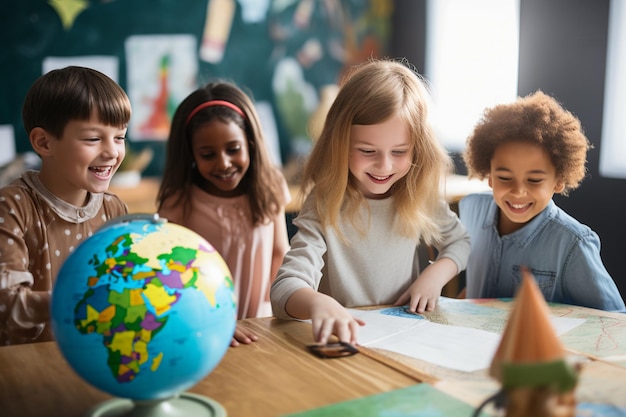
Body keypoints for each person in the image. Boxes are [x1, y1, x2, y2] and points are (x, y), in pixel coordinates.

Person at [270, 59, 471, 345]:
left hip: (406, 338)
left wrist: (434, 276)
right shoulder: (325, 202)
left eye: (400, 151)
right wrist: (316, 304)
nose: (384, 165)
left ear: (418, 148)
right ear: (340, 143)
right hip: (349, 342)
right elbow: (283, 290)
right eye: (367, 150)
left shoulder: (417, 194)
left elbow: (460, 241)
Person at [459, 90, 625, 312]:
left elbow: (615, 320)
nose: (518, 192)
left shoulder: (574, 244)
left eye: (534, 180)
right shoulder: (470, 208)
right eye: (504, 178)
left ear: (558, 181)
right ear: (489, 175)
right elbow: (473, 287)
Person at [0, 66, 131, 345]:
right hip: (26, 368)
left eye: (119, 137)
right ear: (44, 143)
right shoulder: (12, 207)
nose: (112, 151)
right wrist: (82, 303)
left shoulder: (115, 210)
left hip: (94, 361)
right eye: (93, 138)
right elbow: (6, 306)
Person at [157, 81, 291, 346]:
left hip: (259, 329)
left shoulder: (270, 186)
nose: (223, 163)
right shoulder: (180, 201)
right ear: (192, 154)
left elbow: (280, 253)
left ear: (250, 143)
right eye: (207, 154)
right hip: (201, 331)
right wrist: (212, 323)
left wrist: (280, 314)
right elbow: (169, 279)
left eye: (233, 149)